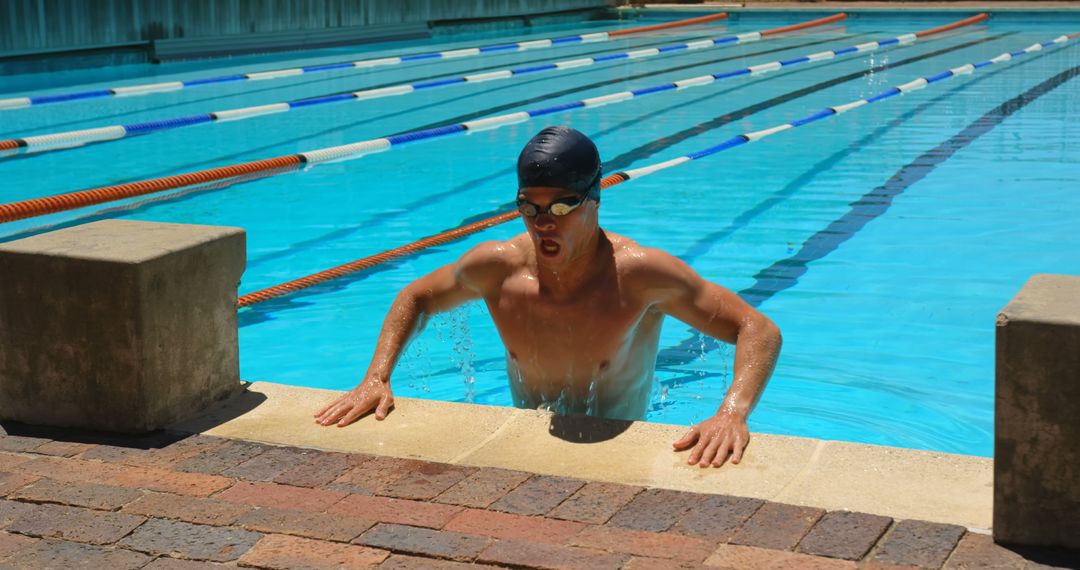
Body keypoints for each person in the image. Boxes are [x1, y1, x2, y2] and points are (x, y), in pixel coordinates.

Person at [315, 126, 782, 468]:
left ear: (594, 200)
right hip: (525, 447)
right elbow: (415, 297)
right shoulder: (496, 267)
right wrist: (376, 377)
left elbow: (757, 329)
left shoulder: (638, 274)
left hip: (622, 450)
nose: (544, 222)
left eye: (561, 206)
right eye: (529, 207)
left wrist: (731, 413)